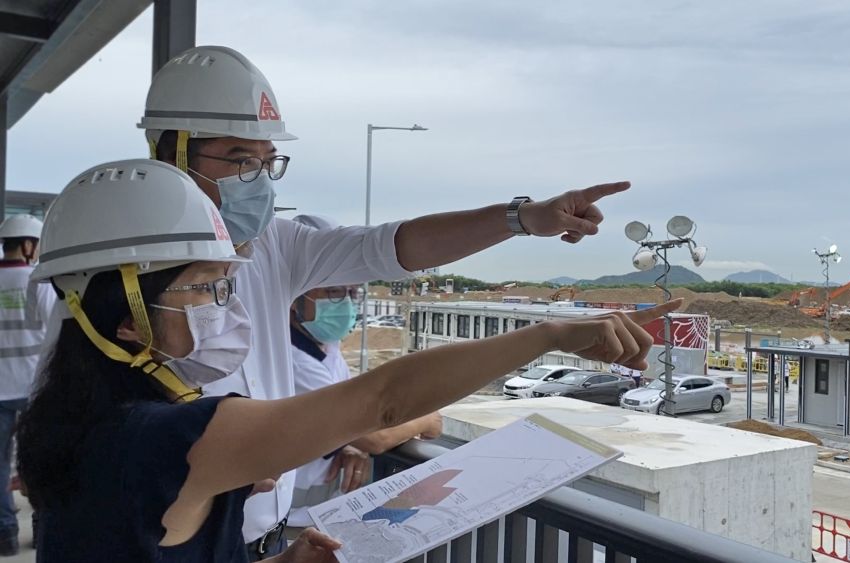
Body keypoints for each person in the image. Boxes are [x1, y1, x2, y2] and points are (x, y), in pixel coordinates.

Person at [15, 158, 678, 562]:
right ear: (127, 316)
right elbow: (380, 401)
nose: (225, 305)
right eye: (205, 288)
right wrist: (546, 335)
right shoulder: (160, 436)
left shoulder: (88, 415)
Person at [135, 45, 632, 557]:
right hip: (162, 538)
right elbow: (383, 400)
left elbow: (392, 246)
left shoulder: (273, 245)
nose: (258, 182)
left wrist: (523, 219)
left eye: (268, 163)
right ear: (172, 154)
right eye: (240, 161)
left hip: (256, 540)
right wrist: (549, 335)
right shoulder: (122, 274)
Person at [285, 216, 443, 529]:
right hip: (282, 529)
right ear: (293, 296)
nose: (344, 302)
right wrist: (426, 419)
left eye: (351, 292)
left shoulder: (323, 348)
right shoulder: (293, 358)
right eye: (332, 291)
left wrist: (345, 439)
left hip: (311, 521)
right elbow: (373, 435)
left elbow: (351, 420)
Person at [0, 214, 54, 556]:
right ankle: (39, 530)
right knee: (38, 460)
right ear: (28, 245)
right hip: (35, 387)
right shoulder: (39, 281)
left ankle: (5, 534)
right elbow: (54, 331)